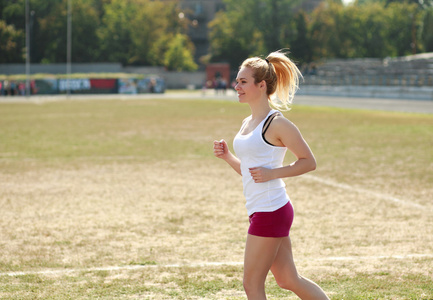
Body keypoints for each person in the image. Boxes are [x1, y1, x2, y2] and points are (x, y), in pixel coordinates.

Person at [213, 50, 330, 300]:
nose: (236, 86)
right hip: (261, 208)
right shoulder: (248, 123)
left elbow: (309, 162)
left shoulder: (277, 123)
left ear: (261, 85)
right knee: (288, 279)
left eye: (243, 82)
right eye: (237, 81)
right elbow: (250, 172)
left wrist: (272, 173)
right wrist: (227, 157)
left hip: (270, 209)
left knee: (251, 285)